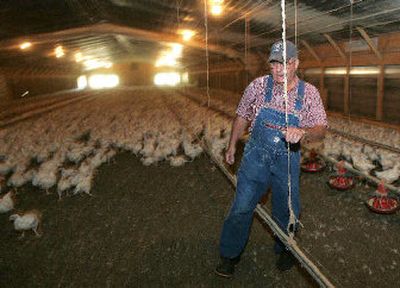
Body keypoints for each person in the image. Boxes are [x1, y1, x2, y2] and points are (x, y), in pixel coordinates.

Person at [215, 40, 327, 278]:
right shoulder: (258, 86)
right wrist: (232, 145)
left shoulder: (308, 93)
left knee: (287, 208)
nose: (278, 69)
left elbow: (320, 128)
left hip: (287, 159)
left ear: (295, 63)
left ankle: (285, 248)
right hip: (256, 156)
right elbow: (242, 115)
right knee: (242, 206)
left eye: (284, 63)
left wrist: (304, 132)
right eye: (274, 63)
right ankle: (229, 255)